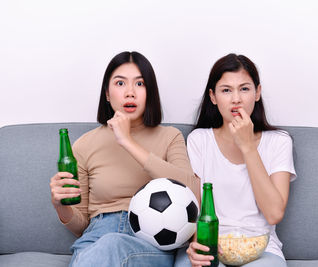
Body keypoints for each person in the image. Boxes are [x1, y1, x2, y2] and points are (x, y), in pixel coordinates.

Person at [49, 51, 200, 267]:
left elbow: (191, 189)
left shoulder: (170, 137)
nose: (130, 93)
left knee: (113, 245)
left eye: (140, 84)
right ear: (107, 94)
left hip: (152, 241)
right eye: (120, 83)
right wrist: (60, 205)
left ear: (150, 93)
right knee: (104, 247)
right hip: (97, 237)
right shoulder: (84, 145)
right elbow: (81, 225)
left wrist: (127, 141)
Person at [174, 54, 296, 267]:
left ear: (257, 93)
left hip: (261, 249)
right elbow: (195, 211)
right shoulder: (199, 141)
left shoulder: (278, 142)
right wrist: (197, 246)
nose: (236, 99)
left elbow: (274, 214)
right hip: (209, 245)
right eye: (226, 90)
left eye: (245, 89)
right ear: (213, 97)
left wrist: (248, 147)